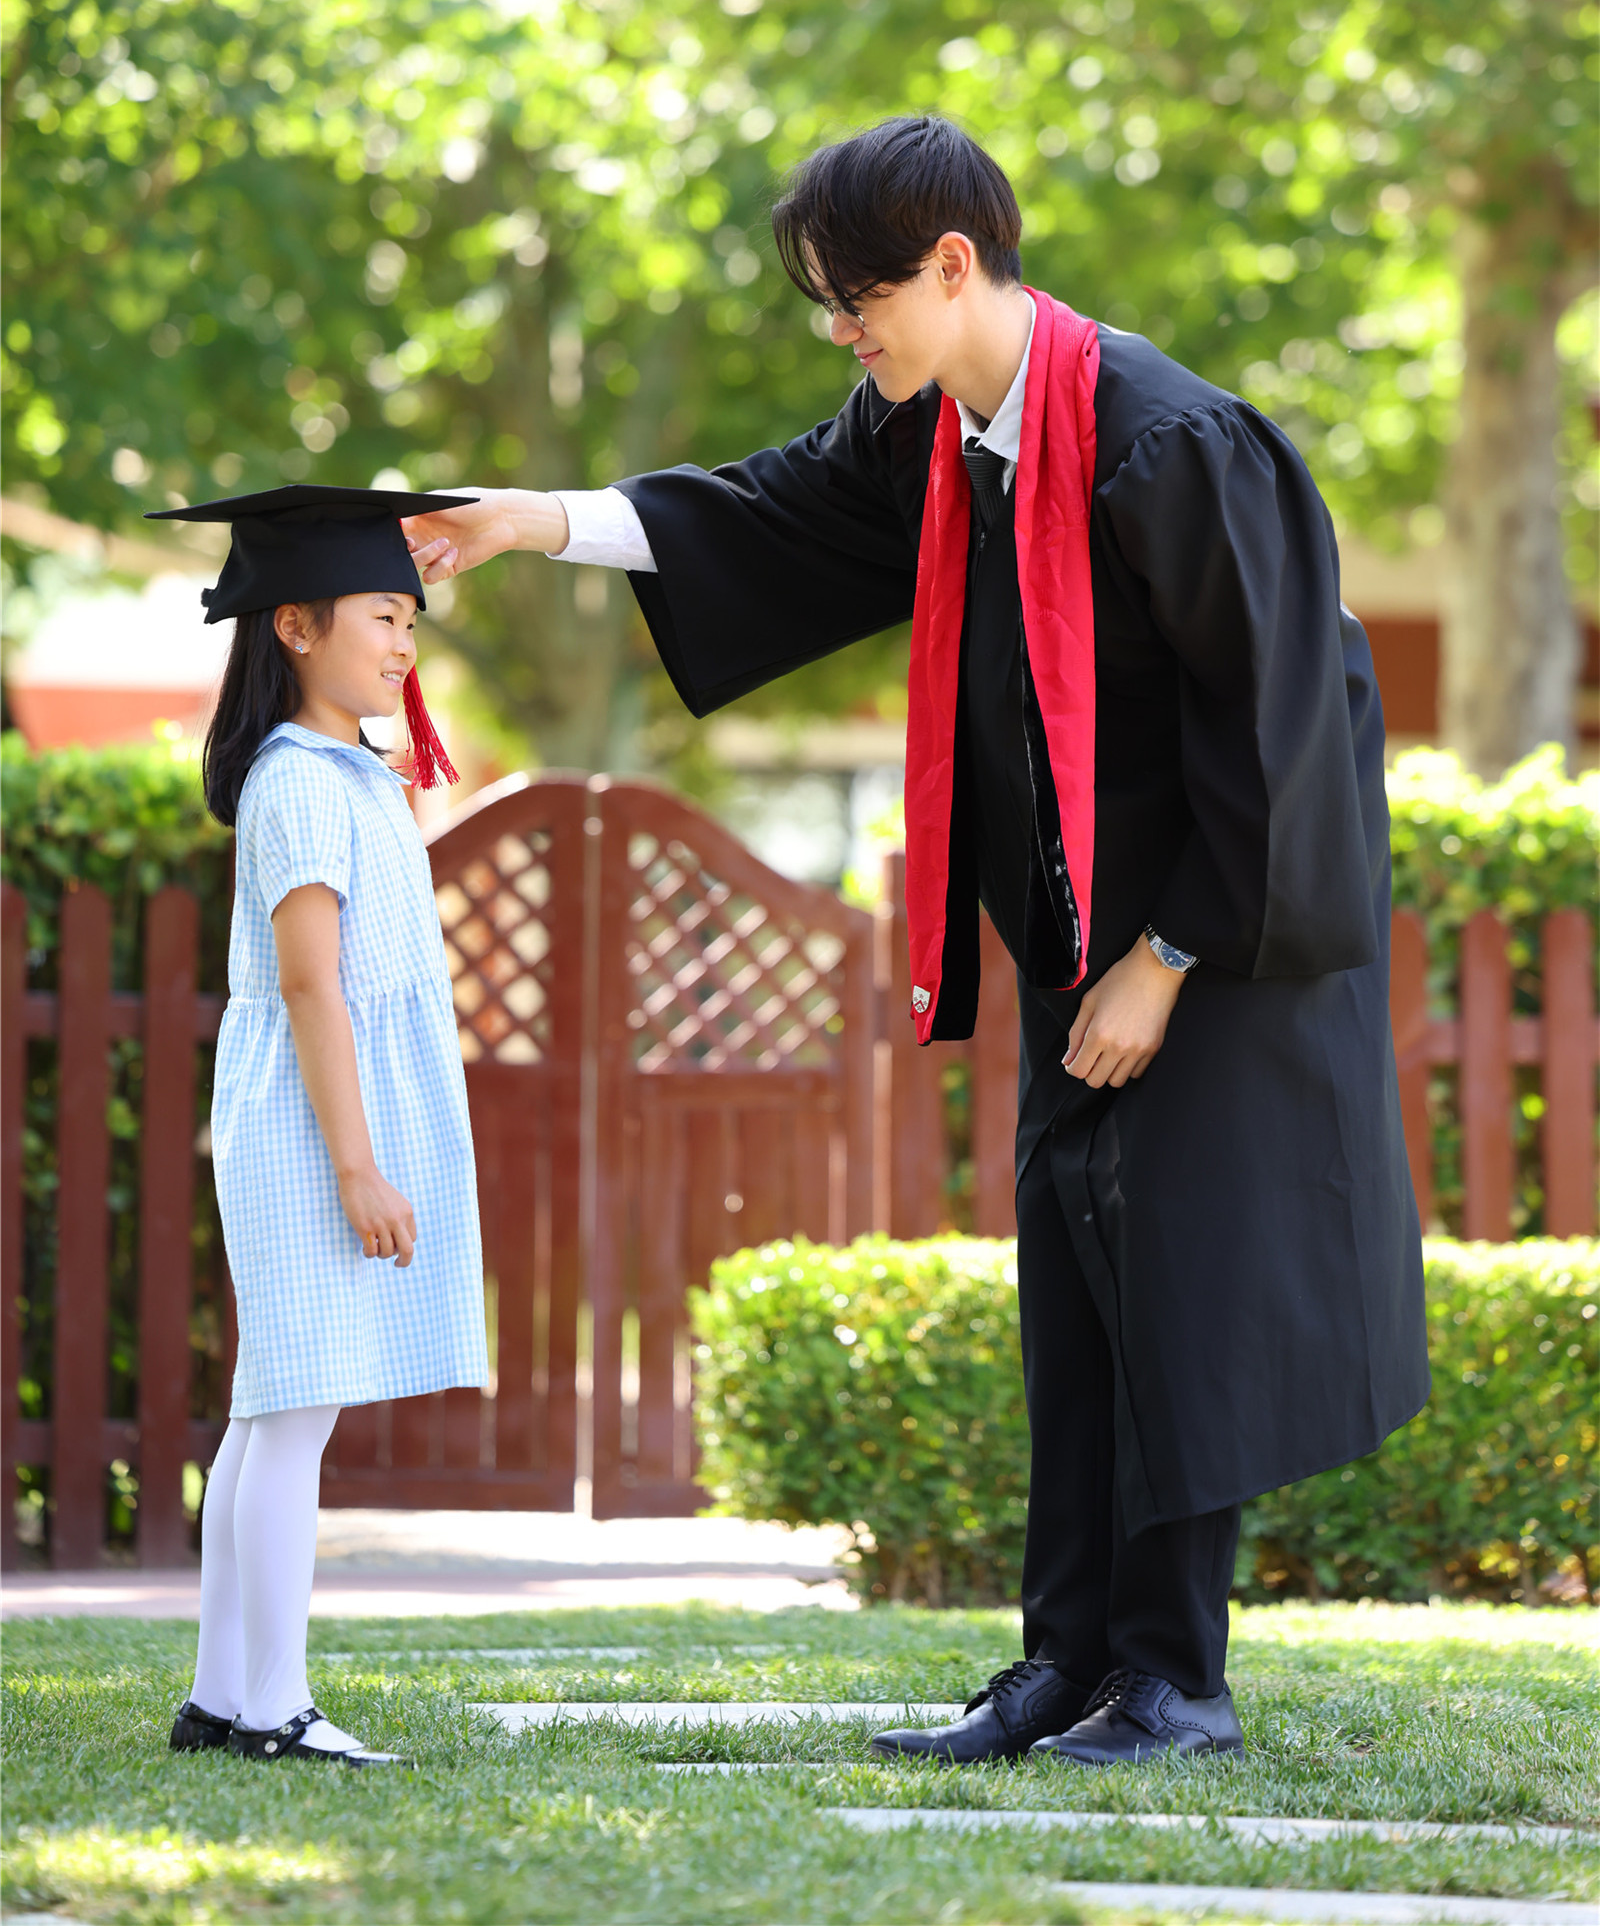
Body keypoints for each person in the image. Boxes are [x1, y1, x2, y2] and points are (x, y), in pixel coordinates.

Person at [405, 115, 1429, 1769]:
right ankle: (1062, 1663)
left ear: (957, 263)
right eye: (828, 303)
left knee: (1180, 1303)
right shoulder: (937, 436)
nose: (844, 328)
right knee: (1076, 1309)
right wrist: (536, 519)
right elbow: (765, 514)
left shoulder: (1165, 440)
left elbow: (1290, 722)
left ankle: (1176, 1681)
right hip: (1071, 945)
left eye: (858, 293)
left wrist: (1166, 958)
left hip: (1208, 953)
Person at [149, 484, 489, 1767]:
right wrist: (358, 1161)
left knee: (273, 1410)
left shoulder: (347, 771)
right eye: (382, 615)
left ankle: (224, 1693)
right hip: (306, 1127)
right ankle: (273, 1704)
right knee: (291, 1411)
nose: (405, 643)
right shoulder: (299, 781)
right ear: (294, 625)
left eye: (412, 619)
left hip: (316, 1119)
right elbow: (310, 981)